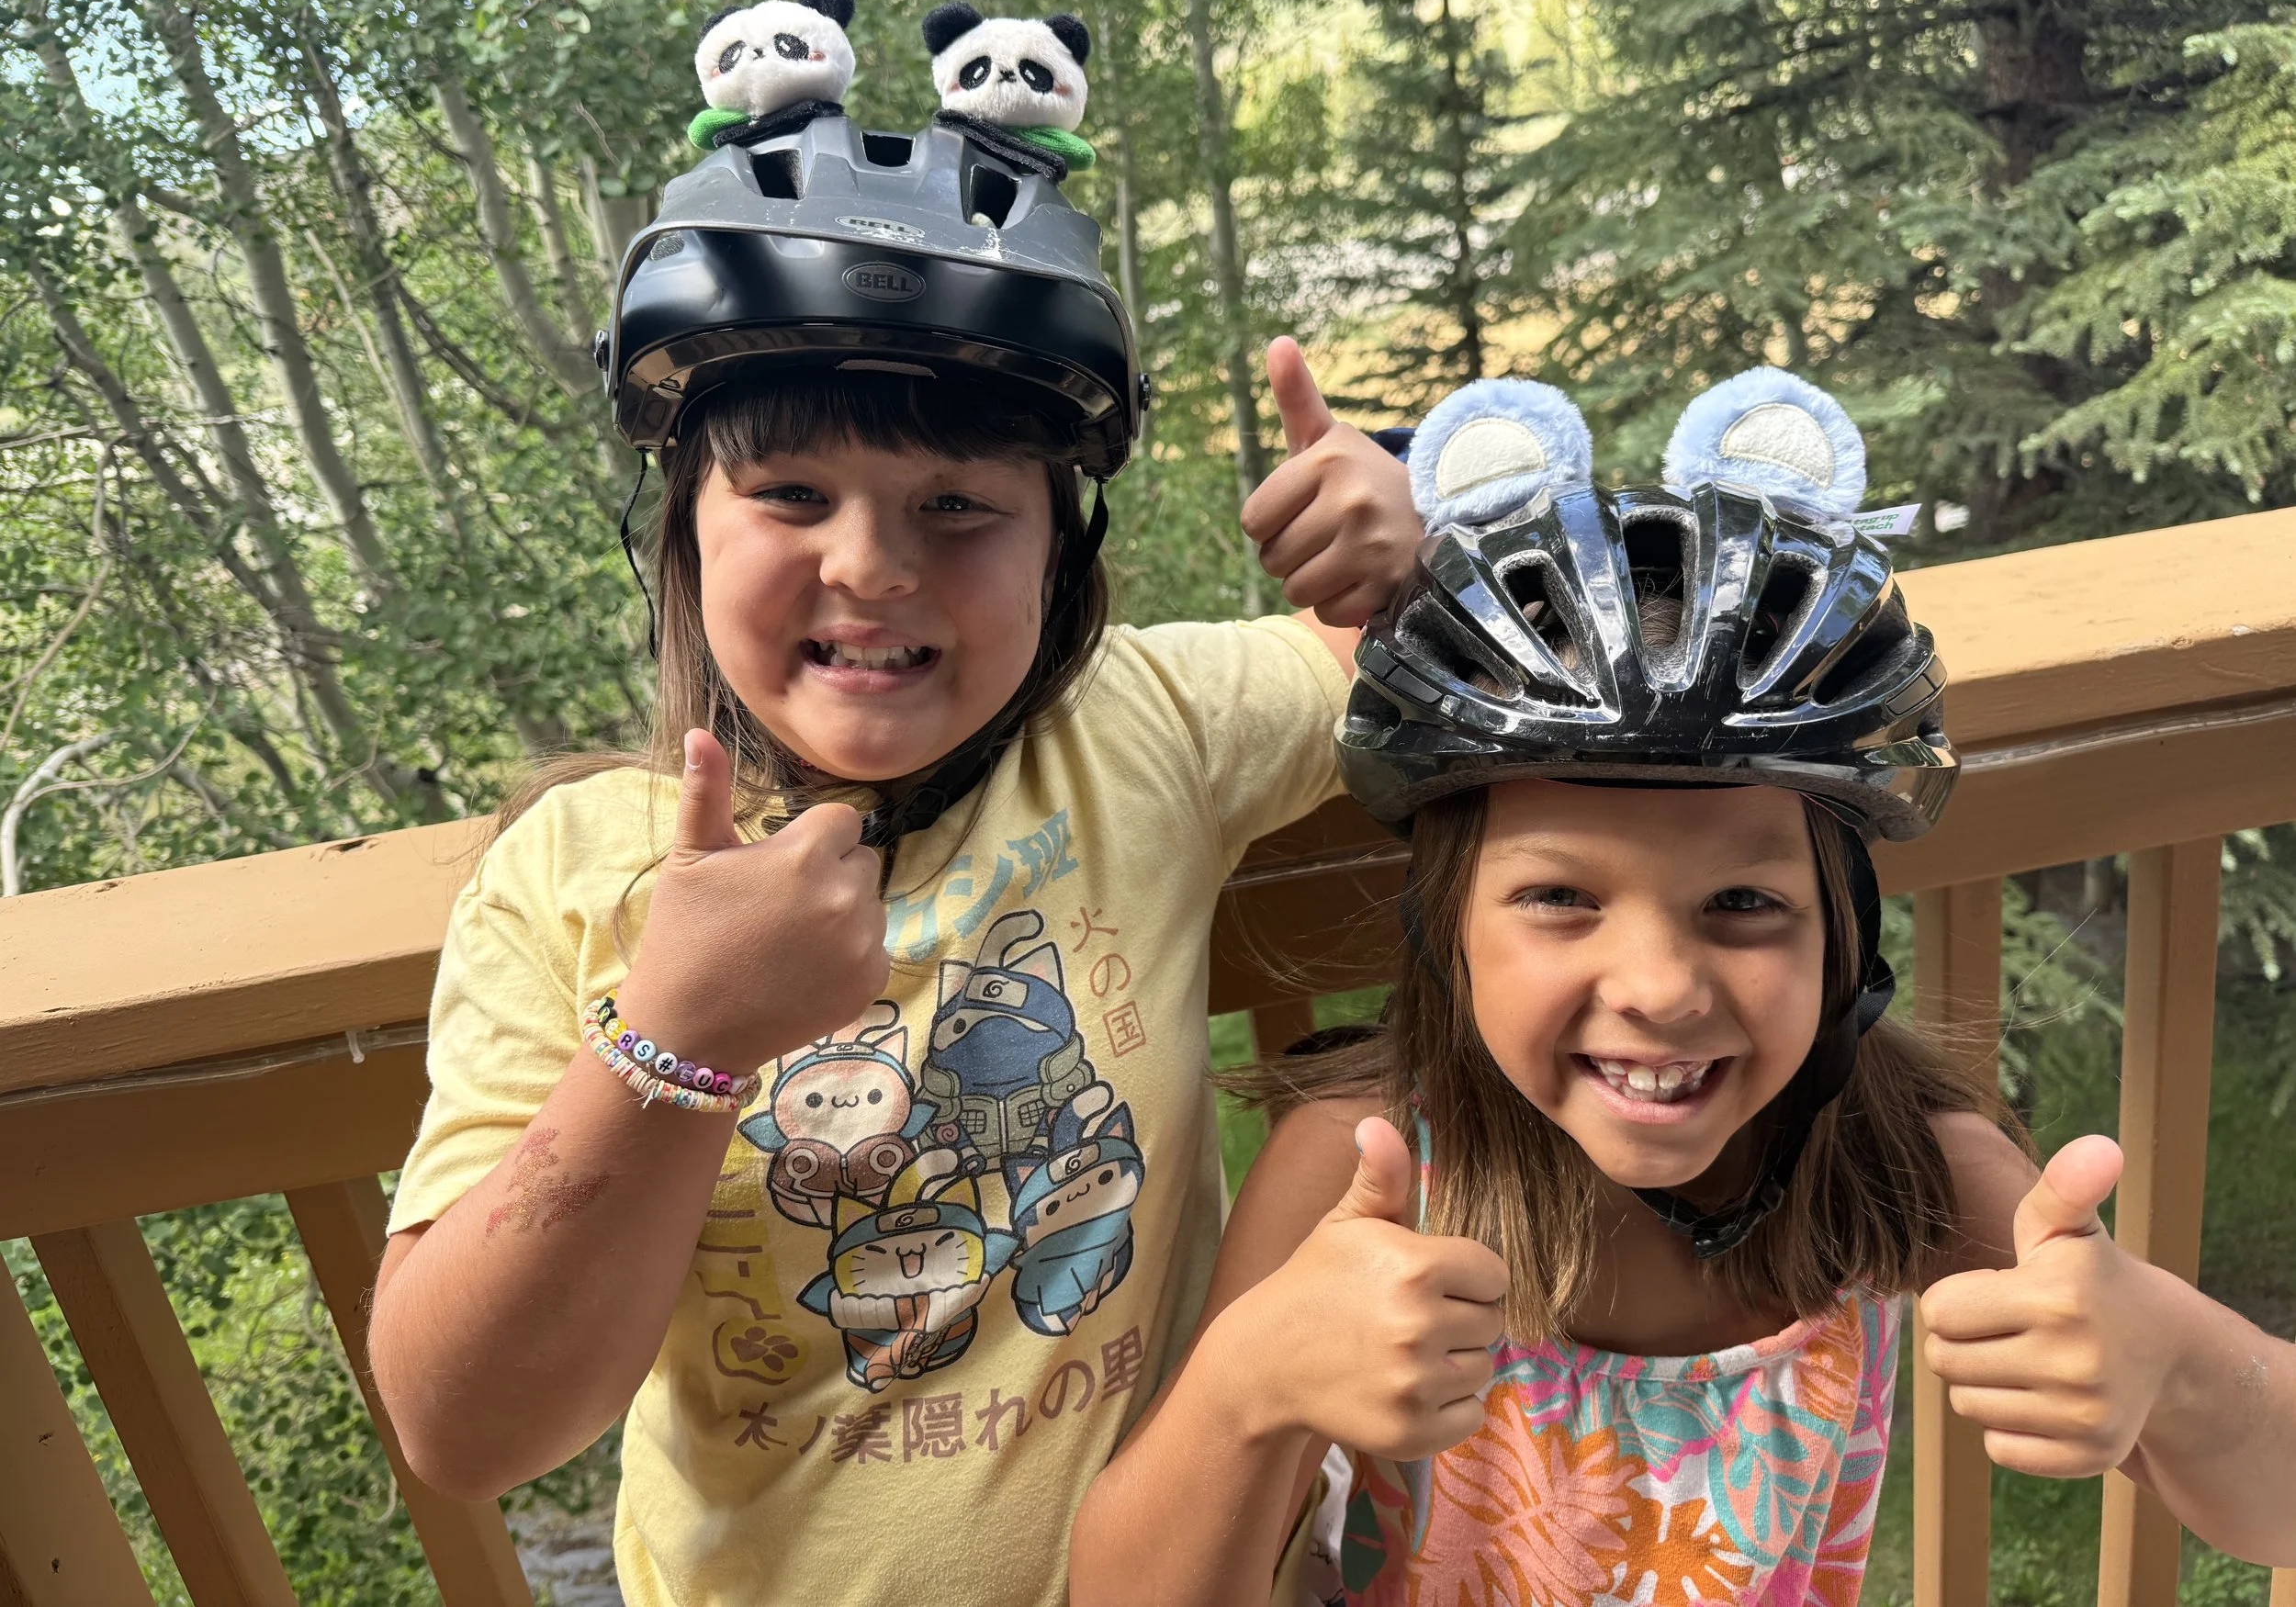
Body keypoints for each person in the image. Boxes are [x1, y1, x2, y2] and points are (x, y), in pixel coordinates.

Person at [365, 91, 1424, 1606]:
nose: (870, 563)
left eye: (959, 505)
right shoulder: (575, 878)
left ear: (1062, 553)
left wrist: (1401, 535)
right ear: (683, 531)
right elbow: (462, 1427)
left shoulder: (1141, 728)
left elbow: (1379, 649)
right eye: (791, 493)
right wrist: (677, 1038)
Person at [1068, 371, 2296, 1604]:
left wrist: (2177, 1360)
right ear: (1446, 925)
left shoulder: (1893, 1158)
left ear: (1840, 937)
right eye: (1561, 898)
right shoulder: (1368, 1171)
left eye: (1746, 905)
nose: (1658, 986)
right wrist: (1248, 1388)